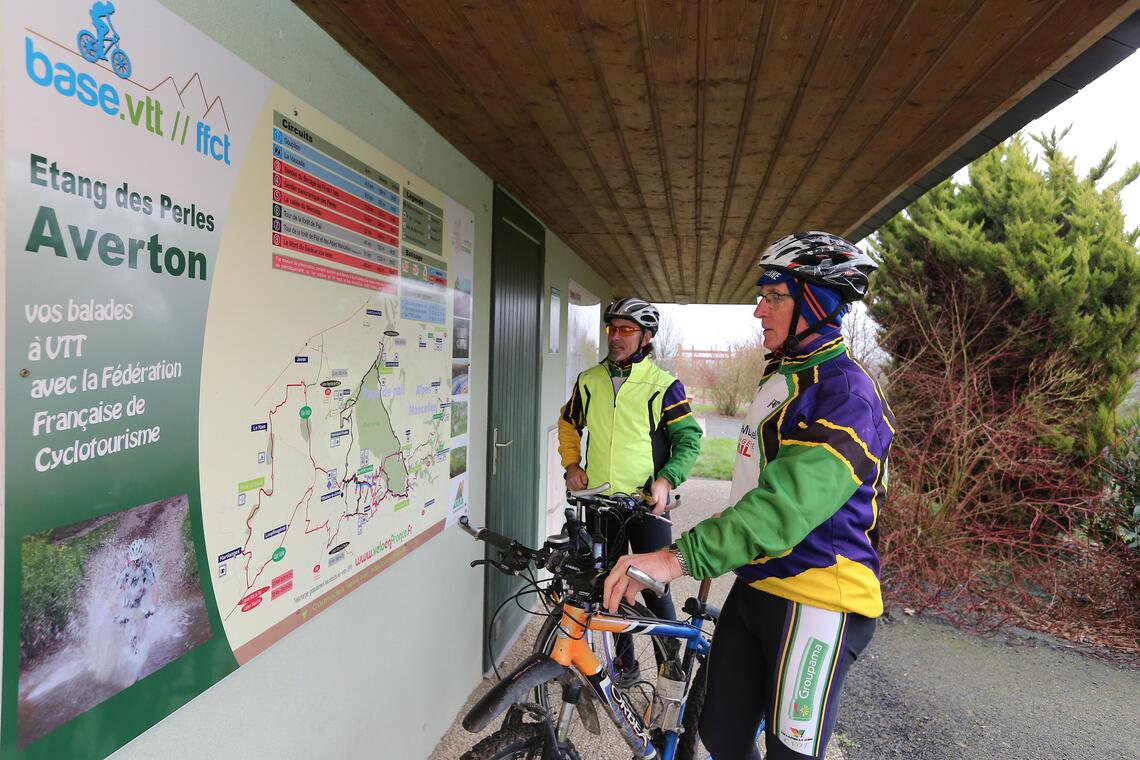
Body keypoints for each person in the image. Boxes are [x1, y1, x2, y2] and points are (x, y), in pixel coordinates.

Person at [603, 232, 893, 759]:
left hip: (819, 599)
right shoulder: (783, 379)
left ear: (816, 303)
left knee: (789, 755)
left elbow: (782, 509)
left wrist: (677, 558)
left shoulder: (845, 396)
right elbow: (758, 485)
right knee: (720, 732)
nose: (759, 309)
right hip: (759, 582)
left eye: (775, 295)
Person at [558, 297, 702, 659]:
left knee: (655, 590)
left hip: (645, 505)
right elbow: (568, 423)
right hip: (601, 505)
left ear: (647, 336)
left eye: (626, 330)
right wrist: (572, 465)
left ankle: (670, 669)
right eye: (612, 329)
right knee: (609, 588)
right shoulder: (589, 381)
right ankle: (623, 667)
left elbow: (688, 439)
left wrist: (667, 480)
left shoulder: (663, 385)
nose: (616, 337)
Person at [115, 537, 159, 653]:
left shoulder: (147, 567)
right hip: (128, 599)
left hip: (140, 598)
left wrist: (153, 606)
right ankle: (130, 646)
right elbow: (119, 588)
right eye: (133, 560)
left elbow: (154, 588)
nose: (136, 563)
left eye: (138, 560)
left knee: (142, 630)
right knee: (129, 622)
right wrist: (116, 606)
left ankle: (136, 640)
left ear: (142, 557)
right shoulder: (125, 567)